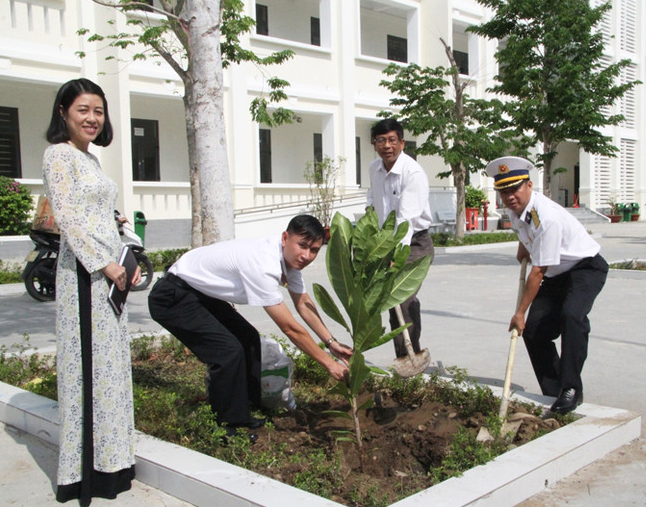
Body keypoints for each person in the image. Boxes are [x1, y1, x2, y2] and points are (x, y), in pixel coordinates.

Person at [148, 214, 352, 441]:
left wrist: (331, 343)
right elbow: (289, 328)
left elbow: (303, 303)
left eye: (314, 250)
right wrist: (328, 364)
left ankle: (245, 409)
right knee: (227, 352)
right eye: (302, 246)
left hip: (199, 293)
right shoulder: (262, 263)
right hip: (173, 297)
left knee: (248, 339)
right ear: (285, 238)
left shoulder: (290, 262)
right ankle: (225, 427)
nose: (306, 255)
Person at [43, 78, 141, 505]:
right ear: (63, 111)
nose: (92, 118)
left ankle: (112, 462)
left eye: (98, 111)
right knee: (89, 369)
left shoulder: (91, 160)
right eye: (83, 110)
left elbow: (106, 214)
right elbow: (67, 218)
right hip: (86, 277)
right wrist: (104, 264)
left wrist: (130, 250)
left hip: (112, 273)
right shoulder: (59, 156)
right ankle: (85, 474)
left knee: (109, 369)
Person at [486, 156, 608, 414]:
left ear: (529, 185)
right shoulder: (517, 208)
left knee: (572, 317)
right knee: (534, 332)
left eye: (515, 189)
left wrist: (519, 313)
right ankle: (554, 391)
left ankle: (571, 390)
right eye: (503, 191)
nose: (509, 197)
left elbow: (538, 272)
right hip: (557, 274)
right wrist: (524, 246)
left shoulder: (547, 216)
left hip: (584, 268)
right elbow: (525, 230)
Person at [367, 118, 435, 359]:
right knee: (389, 300)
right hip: (386, 242)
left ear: (402, 143)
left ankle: (411, 354)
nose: (387, 145)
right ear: (374, 144)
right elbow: (372, 202)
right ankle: (402, 356)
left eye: (392, 140)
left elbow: (405, 222)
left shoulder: (412, 172)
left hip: (414, 243)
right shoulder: (374, 169)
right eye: (381, 140)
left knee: (402, 297)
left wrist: (397, 255)